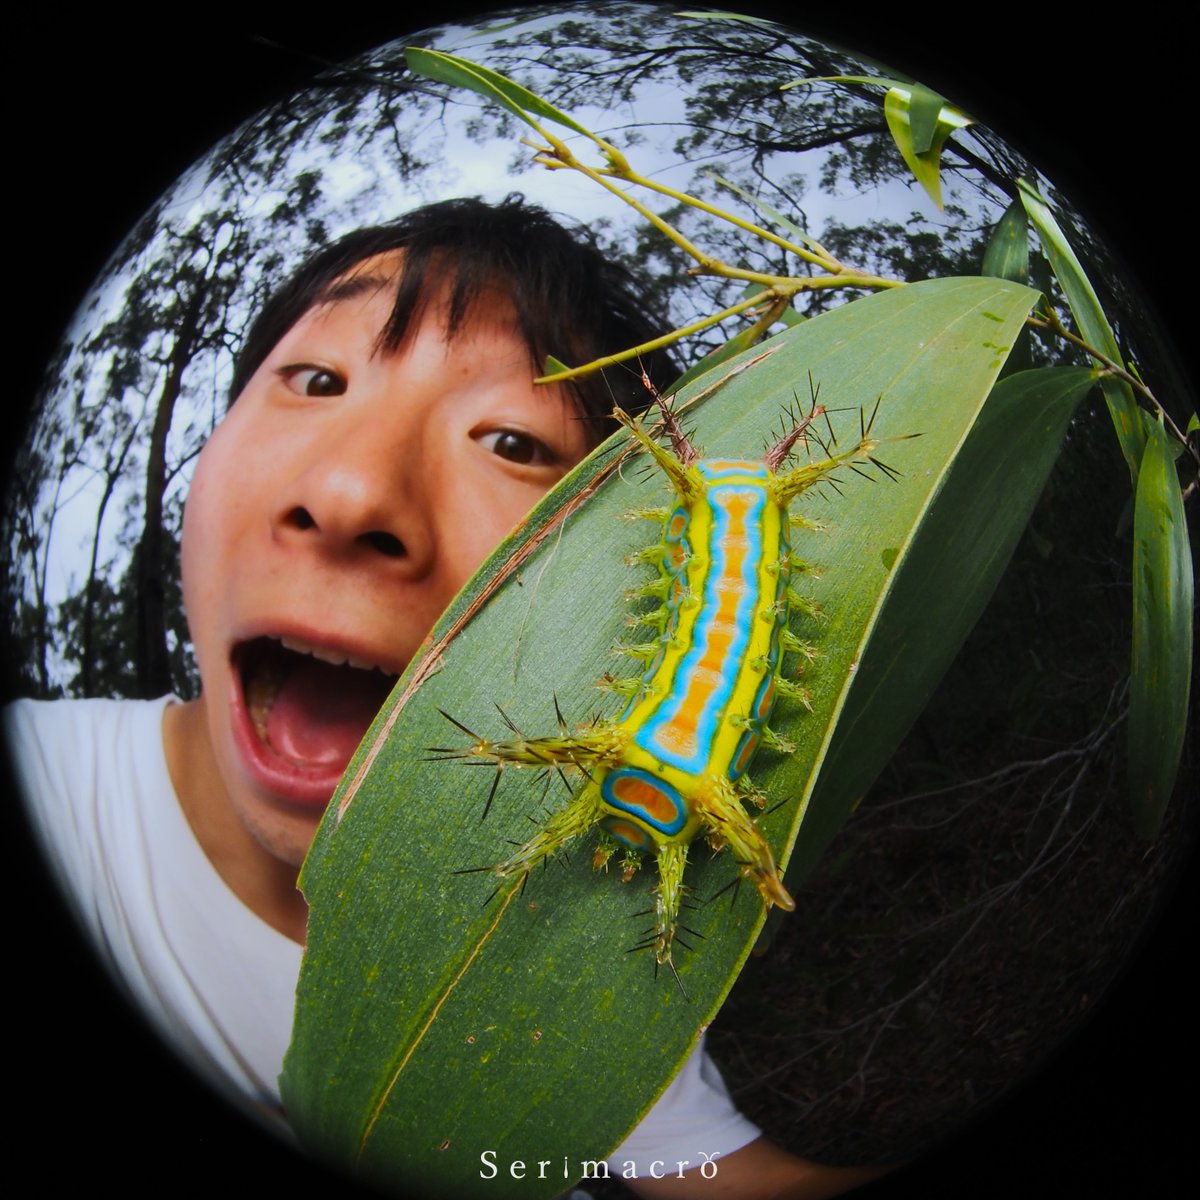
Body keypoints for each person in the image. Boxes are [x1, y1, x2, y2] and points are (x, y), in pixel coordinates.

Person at [5, 196, 884, 1198]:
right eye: (318, 379)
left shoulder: (567, 949)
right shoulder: (45, 788)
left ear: (608, 567)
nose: (351, 493)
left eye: (512, 440)